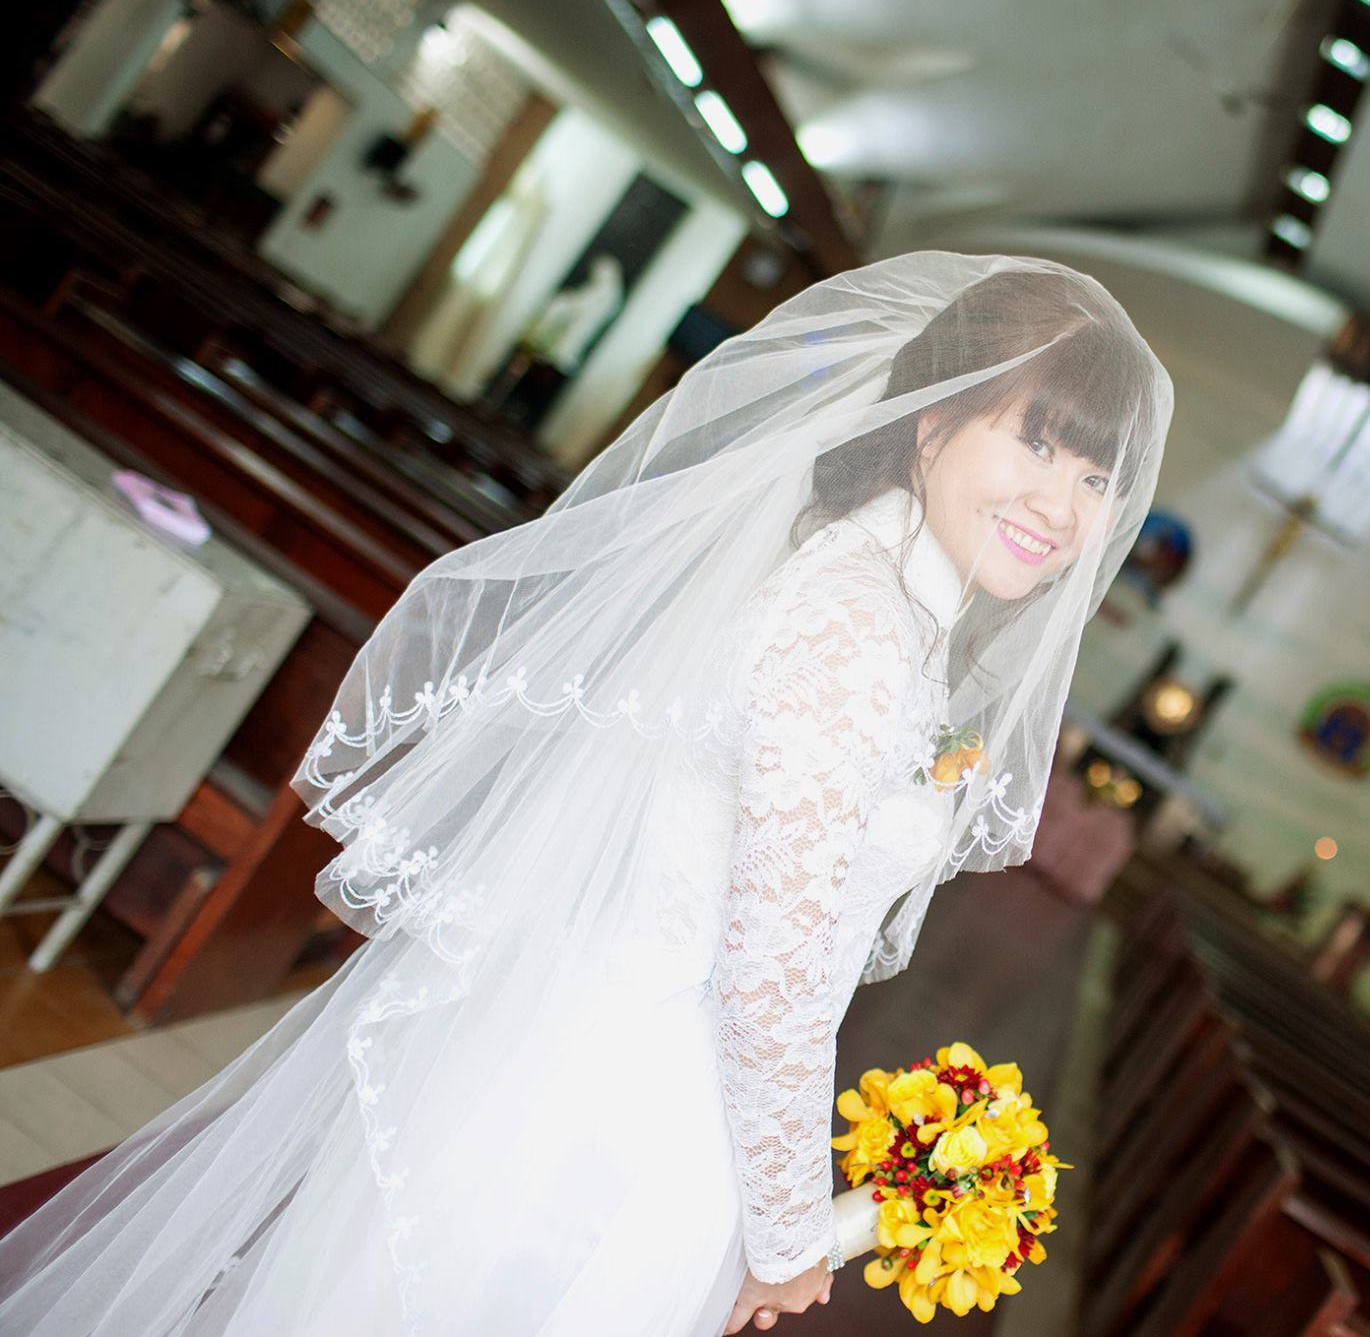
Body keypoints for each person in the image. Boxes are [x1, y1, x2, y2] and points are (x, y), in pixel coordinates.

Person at [0, 250, 1172, 1335]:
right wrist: (783, 1236)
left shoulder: (888, 606)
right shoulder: (853, 622)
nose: (1060, 506)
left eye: (1095, 476)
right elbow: (766, 970)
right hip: (612, 1115)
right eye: (1034, 444)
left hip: (638, 1085)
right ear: (932, 419)